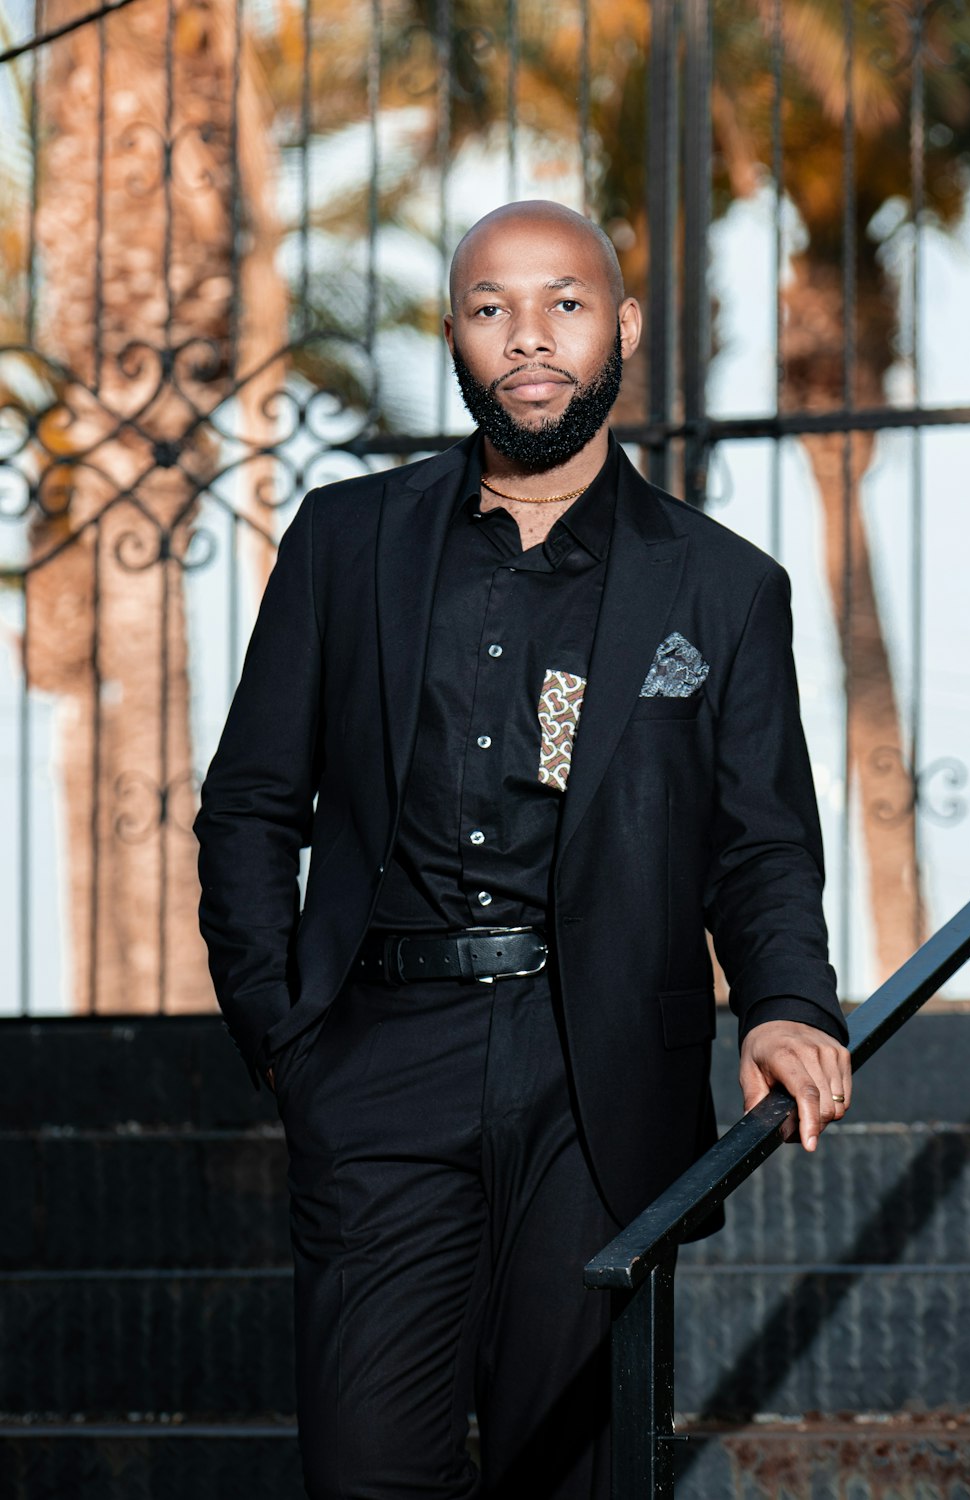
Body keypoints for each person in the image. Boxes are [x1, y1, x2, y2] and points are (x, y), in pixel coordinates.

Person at [195, 200, 851, 1500]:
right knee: (368, 1470)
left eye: (563, 302)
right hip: (377, 1055)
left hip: (597, 1075)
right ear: (456, 333)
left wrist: (783, 1005)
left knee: (576, 1473)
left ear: (624, 325)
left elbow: (760, 844)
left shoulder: (723, 590)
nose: (529, 337)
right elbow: (252, 806)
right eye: (492, 307)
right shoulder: (345, 540)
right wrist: (286, 1033)